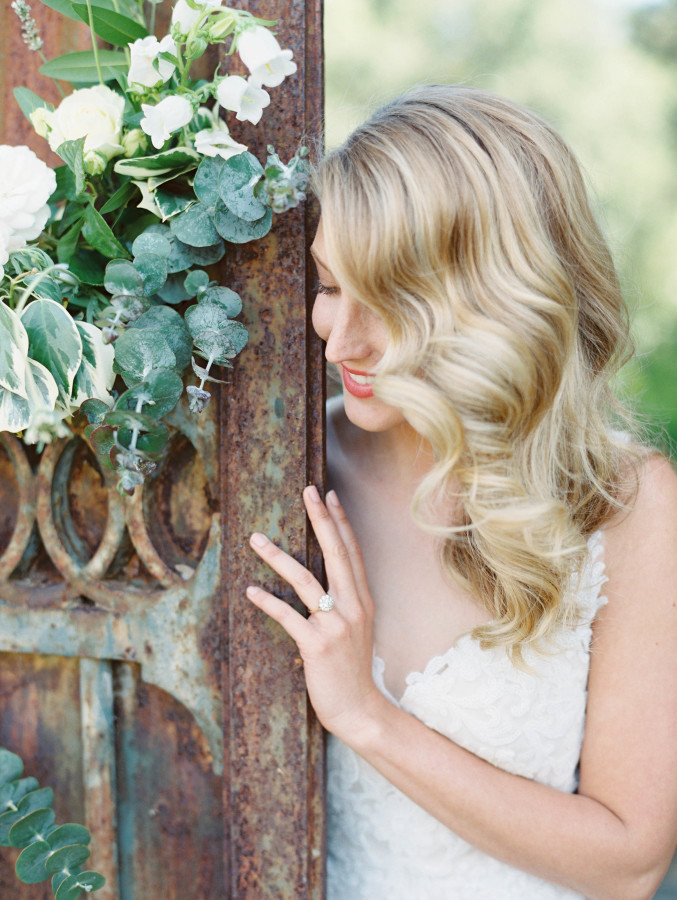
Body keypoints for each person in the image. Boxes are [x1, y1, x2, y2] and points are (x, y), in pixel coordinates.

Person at [246, 84, 677, 899]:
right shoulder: (286, 470)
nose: (339, 337)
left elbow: (629, 864)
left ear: (493, 302)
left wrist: (368, 720)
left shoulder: (625, 502)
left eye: (390, 302)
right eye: (331, 285)